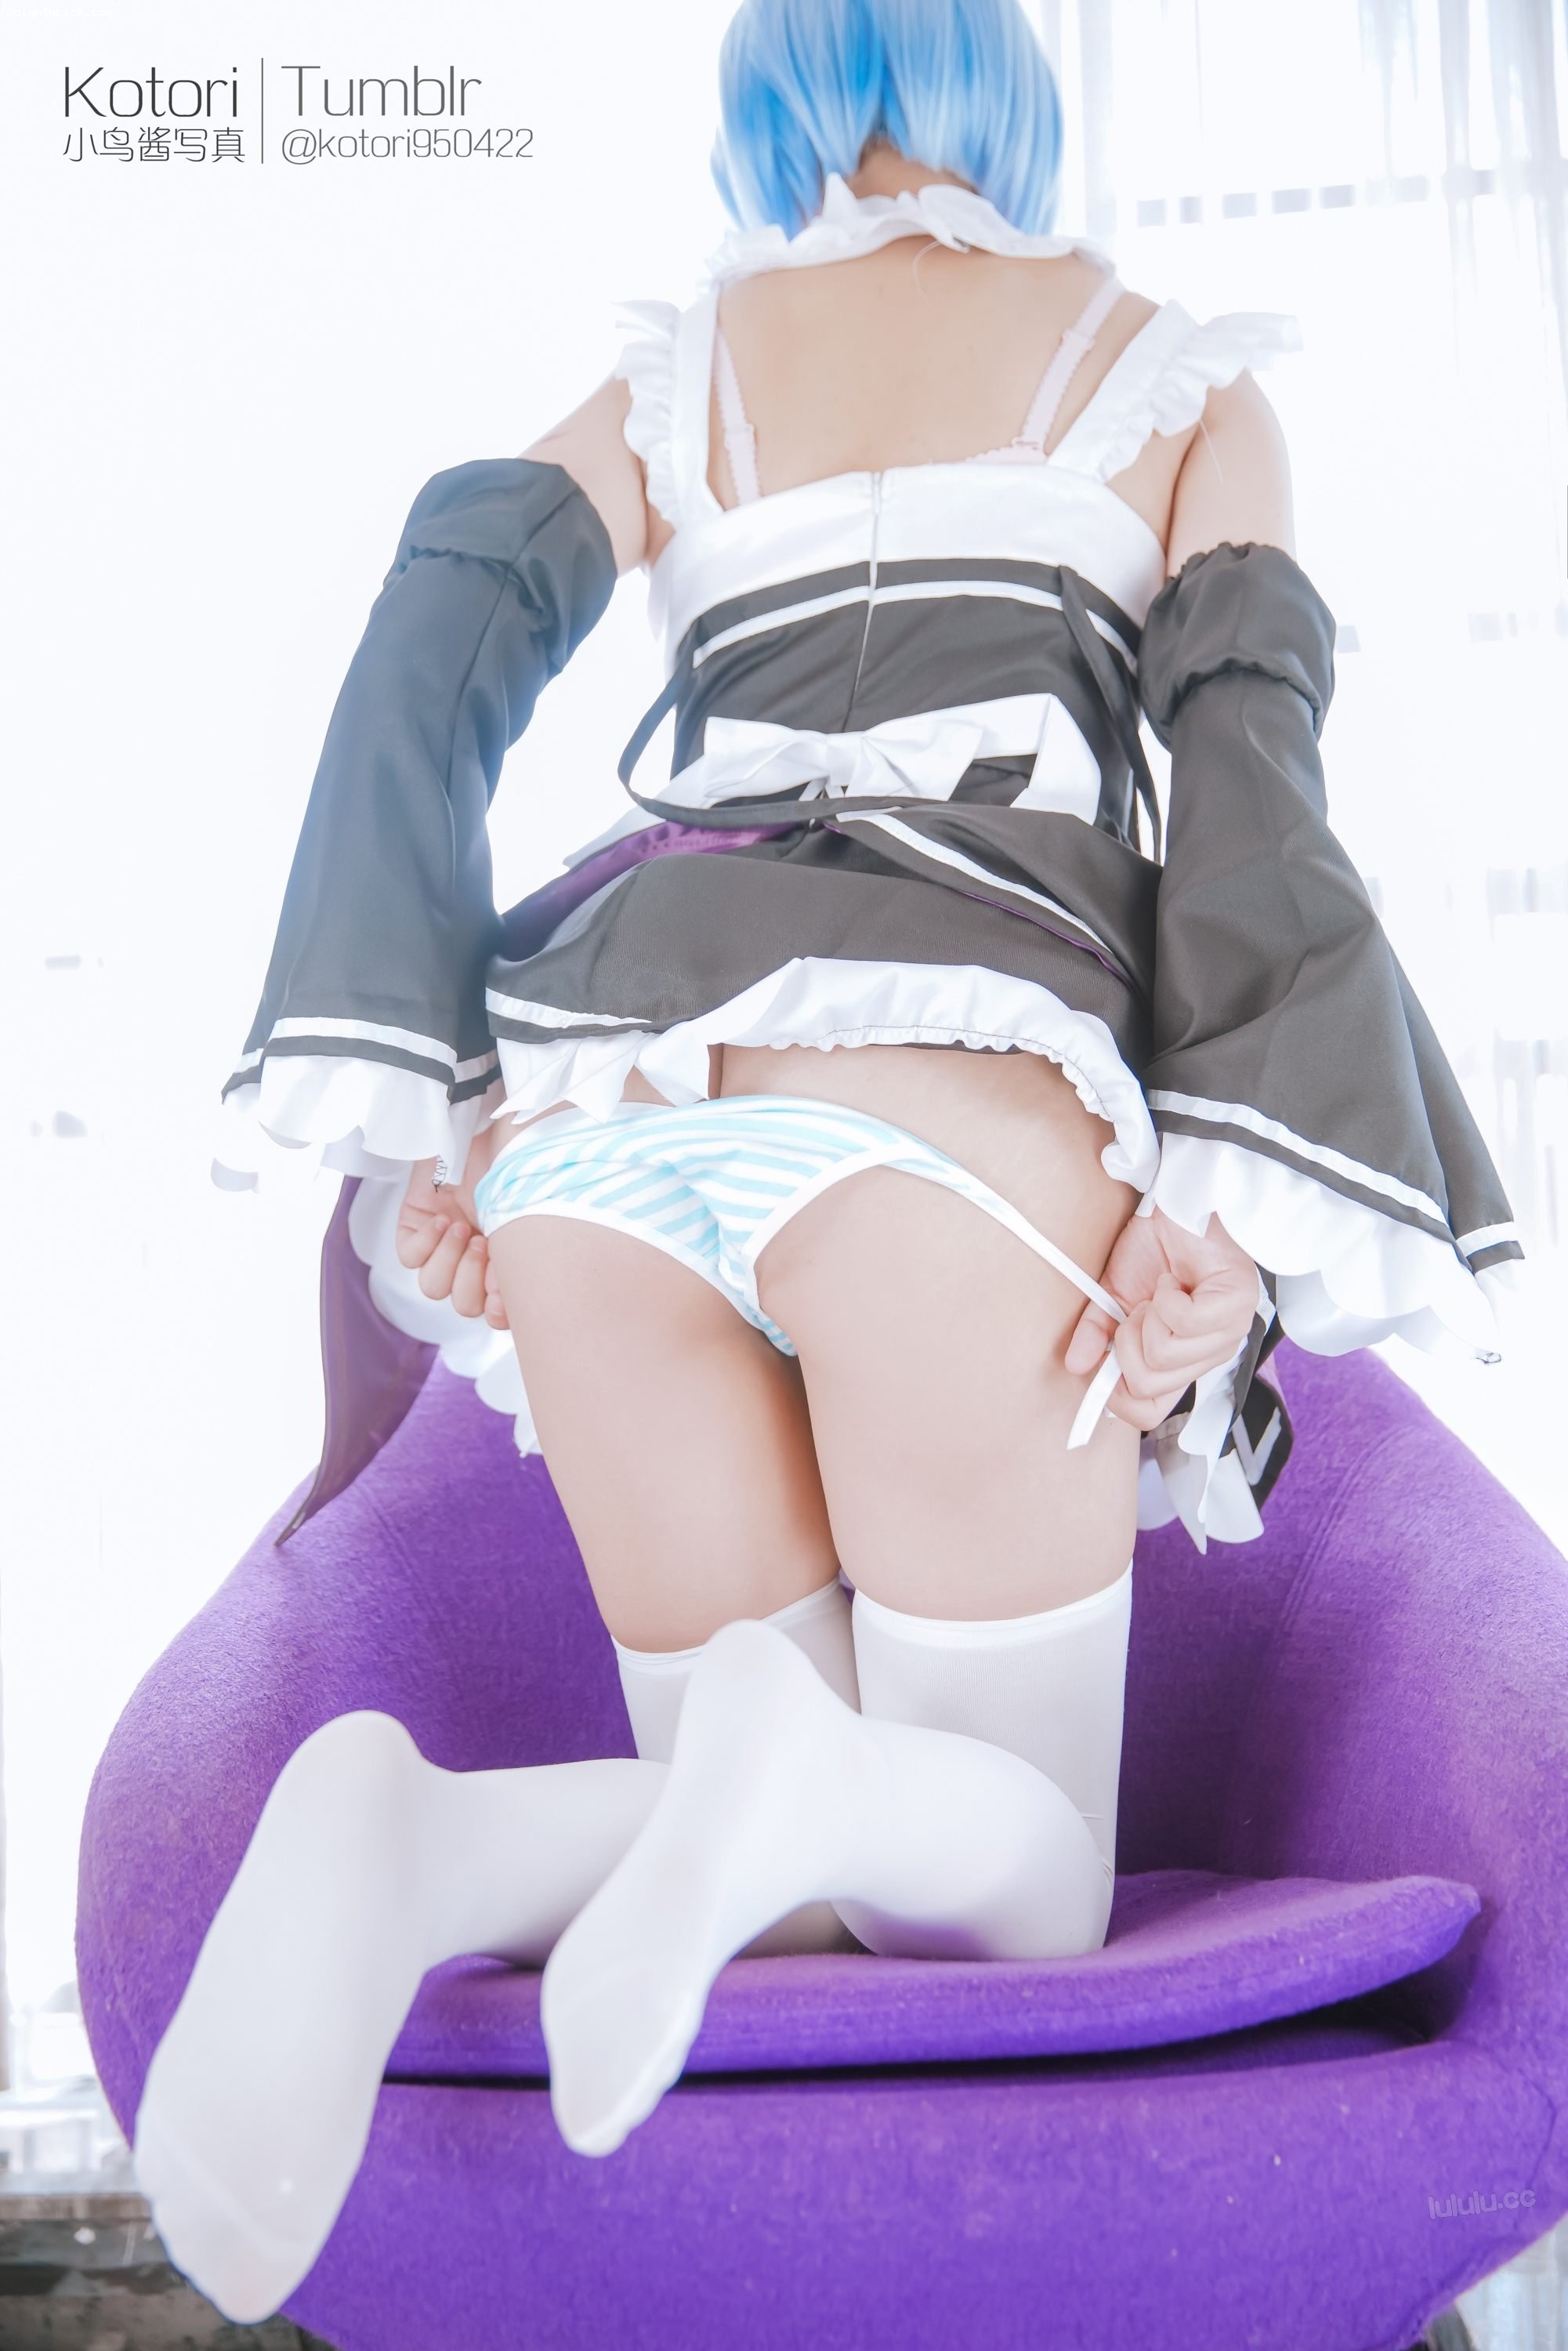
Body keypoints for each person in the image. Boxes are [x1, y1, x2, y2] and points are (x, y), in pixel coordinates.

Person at [140, 0, 1521, 2324]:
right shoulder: (1171, 377)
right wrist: (1227, 1205)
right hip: (950, 1090)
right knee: (1021, 1891)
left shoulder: (672, 380)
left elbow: (436, 622)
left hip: (601, 1117)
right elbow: (1246, 780)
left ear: (767, 96)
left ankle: (431, 1846)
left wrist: (424, 1099)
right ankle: (746, 1782)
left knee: (776, 1930)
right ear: (1008, 81)